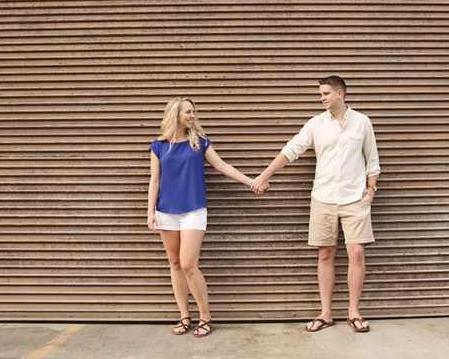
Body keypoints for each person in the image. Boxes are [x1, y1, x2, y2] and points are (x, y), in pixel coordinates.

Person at [252, 76, 380, 333]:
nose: (322, 98)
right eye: (320, 94)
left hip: (355, 198)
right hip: (322, 198)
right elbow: (291, 150)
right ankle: (326, 313)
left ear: (340, 93)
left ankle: (353, 312)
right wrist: (264, 176)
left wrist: (371, 188)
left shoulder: (362, 122)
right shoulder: (315, 124)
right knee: (325, 254)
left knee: (356, 253)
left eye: (325, 93)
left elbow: (372, 160)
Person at [147, 97, 257, 337]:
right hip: (165, 211)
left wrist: (250, 181)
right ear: (175, 114)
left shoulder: (200, 143)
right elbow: (155, 179)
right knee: (174, 264)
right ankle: (184, 316)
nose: (192, 116)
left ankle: (205, 317)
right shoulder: (158, 145)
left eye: (193, 112)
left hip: (194, 210)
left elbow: (223, 166)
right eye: (188, 112)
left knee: (188, 264)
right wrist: (150, 211)